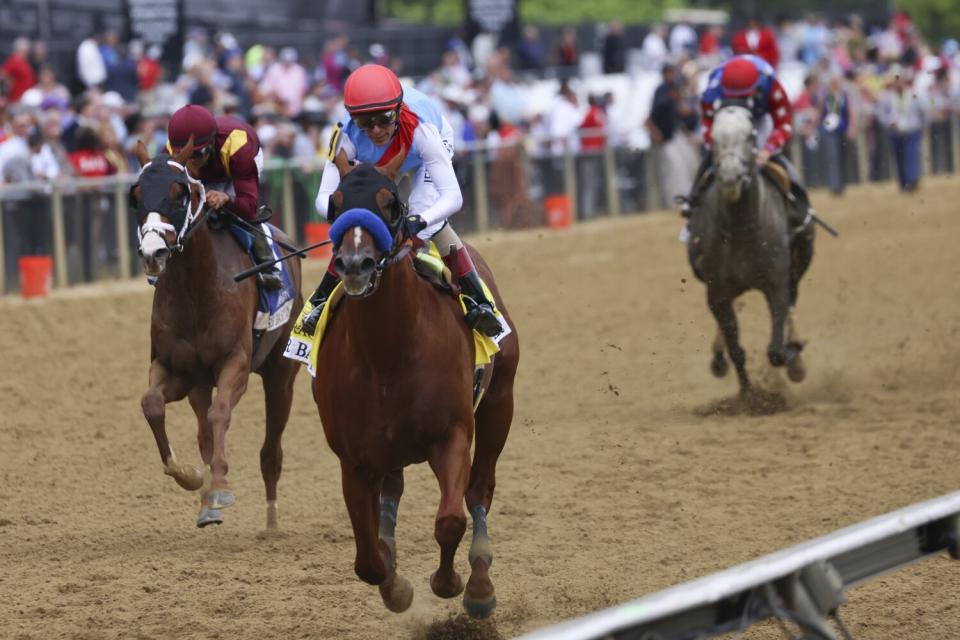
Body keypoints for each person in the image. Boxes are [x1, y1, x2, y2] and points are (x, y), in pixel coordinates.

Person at [301, 64, 501, 338]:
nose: (375, 130)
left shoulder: (422, 131)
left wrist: (421, 221)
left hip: (425, 153)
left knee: (424, 215)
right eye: (364, 123)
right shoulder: (345, 136)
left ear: (396, 110)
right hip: (379, 166)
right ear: (353, 120)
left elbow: (453, 197)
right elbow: (323, 199)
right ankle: (320, 301)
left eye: (384, 119)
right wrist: (350, 216)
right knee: (356, 228)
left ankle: (477, 299)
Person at [681, 55, 811, 229]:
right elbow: (707, 124)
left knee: (781, 164)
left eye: (743, 96)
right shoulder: (713, 89)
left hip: (761, 117)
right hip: (726, 119)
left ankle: (800, 207)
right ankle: (693, 204)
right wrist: (716, 148)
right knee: (710, 160)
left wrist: (767, 151)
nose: (739, 100)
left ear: (755, 88)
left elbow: (784, 124)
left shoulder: (769, 83)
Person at [165, 104, 282, 289]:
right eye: (185, 155)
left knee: (240, 214)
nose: (191, 161)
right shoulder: (170, 151)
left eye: (196, 154)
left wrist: (228, 199)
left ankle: (268, 264)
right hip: (210, 171)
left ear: (211, 144)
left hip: (237, 163)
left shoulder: (238, 146)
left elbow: (249, 205)